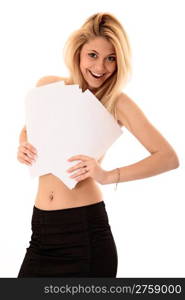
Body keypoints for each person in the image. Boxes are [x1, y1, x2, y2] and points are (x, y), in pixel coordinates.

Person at [16, 12, 179, 278]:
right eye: (93, 55)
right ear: (78, 52)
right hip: (42, 231)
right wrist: (22, 144)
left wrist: (106, 175)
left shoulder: (118, 103)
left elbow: (167, 157)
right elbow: (29, 129)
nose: (100, 67)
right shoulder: (47, 87)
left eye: (111, 58)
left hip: (85, 235)